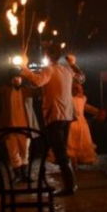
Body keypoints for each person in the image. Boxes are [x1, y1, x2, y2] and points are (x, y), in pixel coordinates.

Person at [21, 43, 85, 196]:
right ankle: (66, 184)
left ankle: (70, 186)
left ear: (48, 56)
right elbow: (82, 78)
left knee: (60, 151)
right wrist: (72, 63)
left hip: (55, 115)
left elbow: (37, 81)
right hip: (67, 115)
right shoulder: (67, 69)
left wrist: (24, 68)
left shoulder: (49, 69)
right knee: (59, 150)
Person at [0, 68, 40, 183]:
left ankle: (25, 174)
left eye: (18, 77)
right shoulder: (6, 90)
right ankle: (17, 175)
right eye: (14, 77)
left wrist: (32, 75)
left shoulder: (28, 90)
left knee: (25, 151)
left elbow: (40, 89)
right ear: (10, 80)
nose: (16, 79)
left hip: (25, 126)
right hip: (10, 126)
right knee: (13, 151)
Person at [59, 83, 104, 173]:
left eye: (81, 89)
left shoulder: (82, 98)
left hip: (82, 123)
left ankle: (76, 163)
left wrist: (97, 111)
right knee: (71, 143)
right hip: (72, 122)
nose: (80, 91)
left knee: (80, 142)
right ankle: (73, 163)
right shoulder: (68, 98)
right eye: (78, 89)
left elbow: (86, 107)